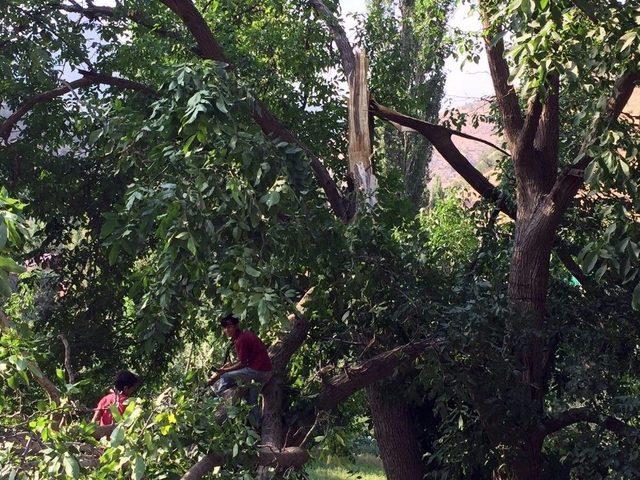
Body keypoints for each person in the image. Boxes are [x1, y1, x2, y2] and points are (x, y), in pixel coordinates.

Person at [208, 314, 272, 400]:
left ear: (236, 326)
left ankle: (221, 400)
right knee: (251, 401)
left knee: (225, 376)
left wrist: (224, 370)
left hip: (258, 371)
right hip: (266, 371)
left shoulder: (241, 340)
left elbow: (243, 364)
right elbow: (245, 360)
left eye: (229, 327)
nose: (227, 330)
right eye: (225, 328)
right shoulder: (245, 334)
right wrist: (229, 366)